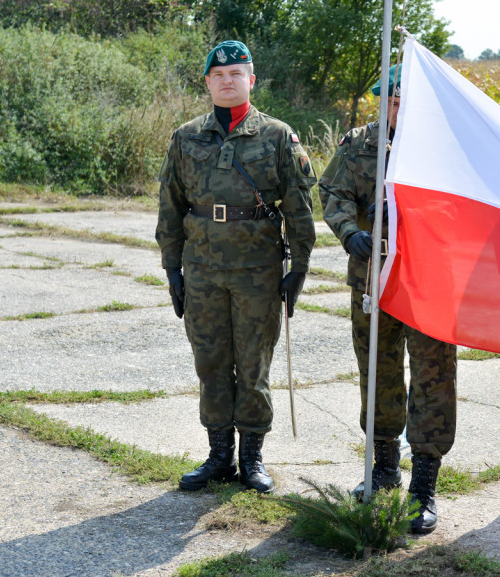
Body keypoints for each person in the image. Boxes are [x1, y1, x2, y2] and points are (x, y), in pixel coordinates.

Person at [155, 40, 316, 494]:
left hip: (257, 273)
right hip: (202, 270)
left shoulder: (278, 136)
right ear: (207, 83)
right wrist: (172, 270)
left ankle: (252, 458)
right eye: (219, 76)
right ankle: (219, 456)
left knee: (253, 365)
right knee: (210, 362)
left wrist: (299, 268)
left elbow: (300, 210)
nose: (228, 81)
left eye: (236, 74)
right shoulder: (186, 137)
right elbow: (171, 208)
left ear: (251, 81)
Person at [318, 65, 457, 535]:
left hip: (430, 281)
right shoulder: (359, 143)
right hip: (372, 276)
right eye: (390, 100)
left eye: (405, 100)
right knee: (377, 369)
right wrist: (348, 231)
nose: (397, 108)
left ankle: (423, 484)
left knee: (433, 375)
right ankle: (382, 470)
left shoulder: (446, 146)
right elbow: (332, 190)